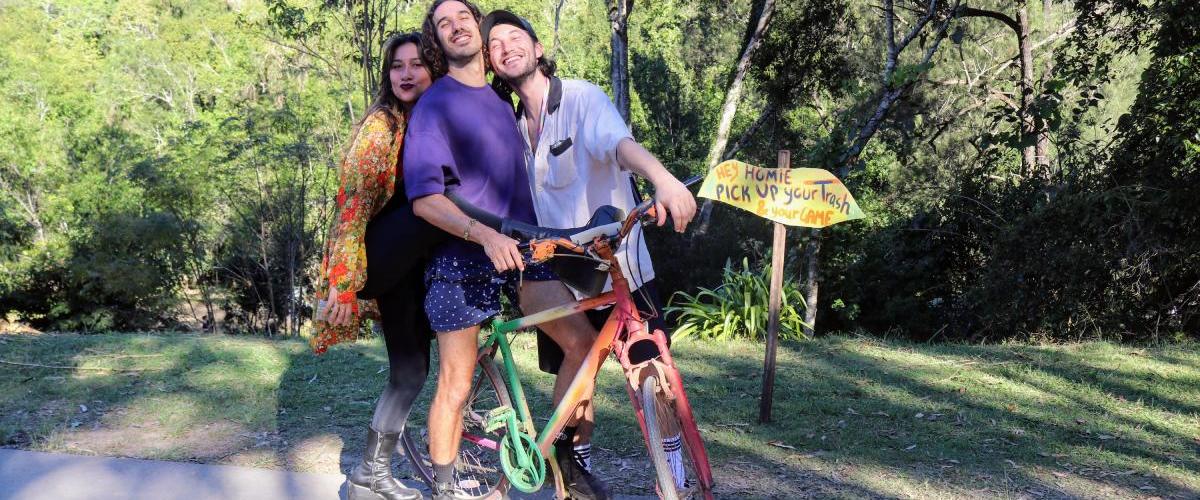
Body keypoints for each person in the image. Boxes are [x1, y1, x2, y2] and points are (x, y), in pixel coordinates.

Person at [482, 10, 697, 494]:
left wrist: (661, 179)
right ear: (492, 63)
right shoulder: (511, 129)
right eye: (495, 43)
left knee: (654, 374)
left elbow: (619, 145)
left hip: (622, 265)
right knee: (578, 372)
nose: (507, 46)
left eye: (516, 37)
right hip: (558, 270)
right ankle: (570, 471)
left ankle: (674, 481)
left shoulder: (581, 98)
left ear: (538, 49)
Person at [401, 1, 603, 498]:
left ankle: (561, 460)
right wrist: (483, 235)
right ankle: (445, 488)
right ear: (438, 41)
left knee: (583, 344)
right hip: (462, 262)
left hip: (523, 257)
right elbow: (425, 201)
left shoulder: (498, 99)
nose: (456, 26)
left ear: (478, 28)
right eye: (443, 23)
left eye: (463, 18)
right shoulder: (435, 105)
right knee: (457, 383)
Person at [311, 32, 440, 500]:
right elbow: (351, 207)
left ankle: (370, 474)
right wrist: (341, 286)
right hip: (376, 255)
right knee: (437, 206)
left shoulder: (426, 120)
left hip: (405, 270)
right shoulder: (382, 125)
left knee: (411, 372)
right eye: (397, 66)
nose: (405, 74)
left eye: (416, 65)